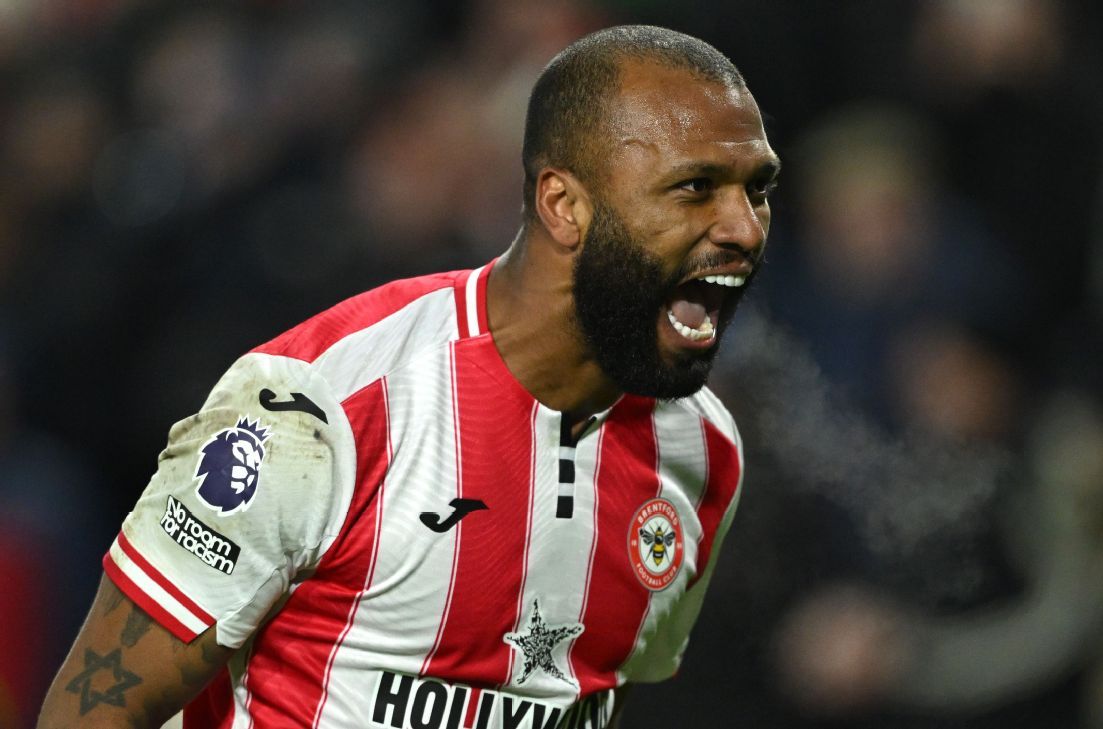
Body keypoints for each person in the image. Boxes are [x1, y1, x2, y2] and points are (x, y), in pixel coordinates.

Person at [38, 25, 779, 729]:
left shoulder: (704, 454)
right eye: (696, 187)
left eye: (757, 189)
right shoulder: (320, 409)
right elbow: (93, 708)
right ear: (564, 205)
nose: (745, 228)